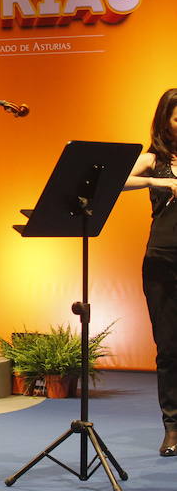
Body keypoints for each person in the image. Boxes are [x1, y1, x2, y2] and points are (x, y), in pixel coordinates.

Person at [121, 88, 177, 457]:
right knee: (169, 348)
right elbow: (117, 181)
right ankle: (173, 427)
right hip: (163, 261)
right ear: (165, 120)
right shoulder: (152, 159)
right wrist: (158, 180)